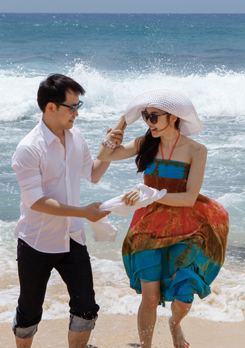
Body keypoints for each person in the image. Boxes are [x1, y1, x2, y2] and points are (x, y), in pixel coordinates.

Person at [97, 89, 229, 348]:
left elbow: (189, 198)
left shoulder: (196, 150)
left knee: (184, 294)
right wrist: (122, 121)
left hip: (187, 226)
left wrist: (151, 195)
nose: (149, 122)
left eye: (154, 116)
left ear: (174, 117)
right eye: (145, 116)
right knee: (149, 298)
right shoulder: (144, 143)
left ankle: (175, 324)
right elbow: (104, 156)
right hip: (148, 226)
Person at [11, 74, 112, 348]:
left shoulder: (76, 136)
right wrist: (84, 212)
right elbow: (36, 201)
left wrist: (109, 147)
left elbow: (93, 174)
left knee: (86, 307)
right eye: (72, 107)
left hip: (72, 238)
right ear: (51, 107)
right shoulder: (29, 148)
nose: (76, 113)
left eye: (79, 106)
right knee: (30, 311)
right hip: (36, 241)